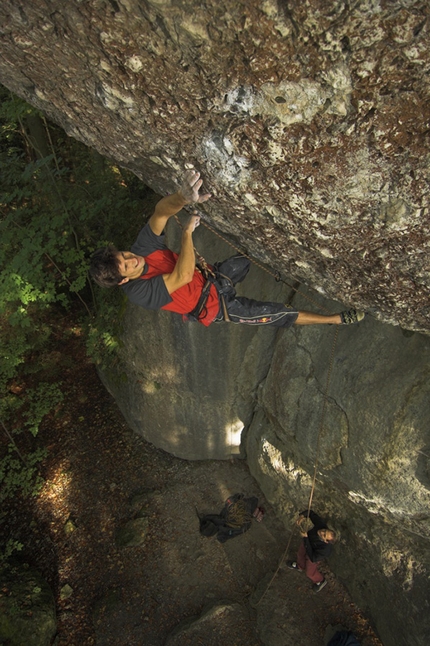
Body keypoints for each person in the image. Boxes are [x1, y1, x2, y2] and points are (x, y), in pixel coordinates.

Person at [89, 170, 364, 329]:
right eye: (127, 265)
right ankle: (335, 319)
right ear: (124, 280)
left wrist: (182, 197)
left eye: (124, 254)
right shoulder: (139, 292)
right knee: (277, 313)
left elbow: (160, 213)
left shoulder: (141, 249)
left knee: (252, 252)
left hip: (214, 278)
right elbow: (182, 277)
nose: (132, 258)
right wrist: (186, 233)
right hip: (216, 306)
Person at [288, 509, 337, 592]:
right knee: (300, 555)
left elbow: (313, 558)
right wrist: (302, 516)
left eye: (324, 535)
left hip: (313, 554)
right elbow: (311, 513)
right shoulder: (321, 525)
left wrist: (306, 538)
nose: (322, 532)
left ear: (325, 541)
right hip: (308, 542)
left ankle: (320, 581)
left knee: (310, 573)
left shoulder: (325, 550)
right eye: (325, 531)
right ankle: (300, 566)